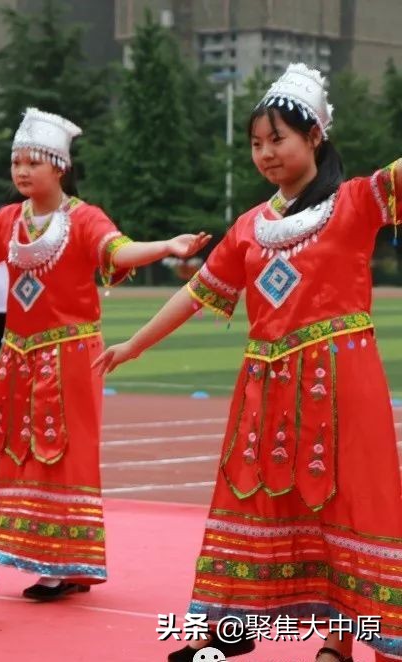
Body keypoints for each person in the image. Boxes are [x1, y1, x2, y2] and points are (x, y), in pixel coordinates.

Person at [95, 63, 402, 662]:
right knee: (253, 501)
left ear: (315, 137)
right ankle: (231, 631)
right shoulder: (249, 228)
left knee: (343, 510)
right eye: (256, 143)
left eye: (278, 139)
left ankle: (340, 646)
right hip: (267, 393)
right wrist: (135, 343)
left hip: (343, 390)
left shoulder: (359, 201)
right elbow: (196, 292)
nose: (265, 153)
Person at [0, 108, 209, 601]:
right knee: (25, 454)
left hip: (70, 357)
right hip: (21, 356)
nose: (23, 171)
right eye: (17, 162)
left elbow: (118, 252)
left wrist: (165, 246)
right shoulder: (9, 220)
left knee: (65, 456)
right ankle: (43, 557)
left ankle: (68, 564)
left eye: (34, 161)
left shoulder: (84, 218)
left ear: (60, 166)